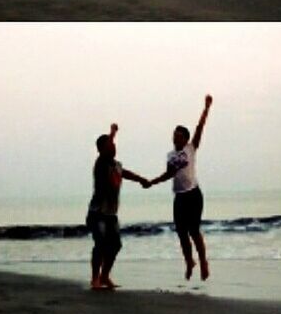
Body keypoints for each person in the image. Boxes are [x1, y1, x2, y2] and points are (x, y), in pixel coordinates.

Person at [147, 95, 213, 281]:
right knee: (181, 232)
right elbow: (169, 174)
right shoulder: (170, 155)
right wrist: (152, 181)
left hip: (193, 194)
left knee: (194, 231)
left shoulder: (191, 148)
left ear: (185, 138)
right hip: (179, 198)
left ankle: (203, 262)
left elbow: (200, 128)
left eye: (177, 135)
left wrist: (206, 108)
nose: (174, 138)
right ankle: (189, 262)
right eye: (173, 135)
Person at [86, 123, 150, 291]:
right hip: (97, 213)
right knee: (100, 244)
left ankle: (104, 275)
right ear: (101, 150)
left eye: (114, 145)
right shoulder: (100, 164)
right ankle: (95, 279)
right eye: (109, 146)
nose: (113, 148)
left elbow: (126, 173)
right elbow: (106, 149)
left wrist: (142, 180)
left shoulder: (117, 165)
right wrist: (112, 133)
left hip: (110, 214)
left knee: (115, 245)